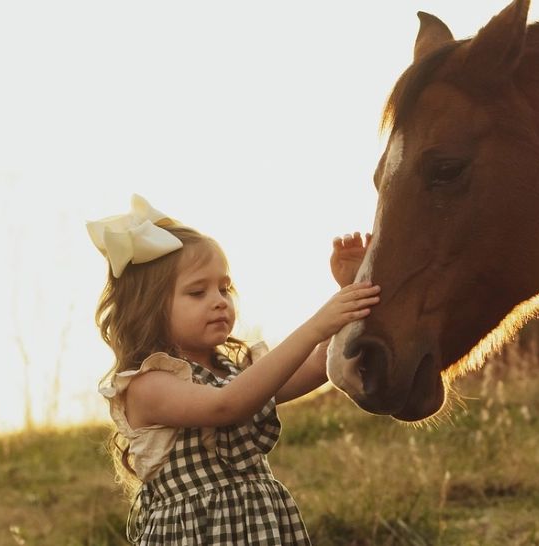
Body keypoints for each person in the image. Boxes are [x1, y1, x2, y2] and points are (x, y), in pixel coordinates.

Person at [89, 194, 378, 545]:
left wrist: (351, 290)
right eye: (197, 292)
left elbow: (319, 364)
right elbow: (225, 406)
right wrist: (317, 324)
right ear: (148, 308)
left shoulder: (237, 372)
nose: (219, 301)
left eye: (224, 288)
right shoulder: (147, 386)